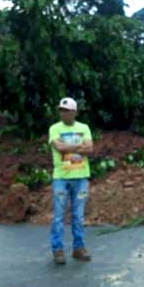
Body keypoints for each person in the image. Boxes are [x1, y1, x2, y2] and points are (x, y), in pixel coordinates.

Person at [48, 97, 94, 265]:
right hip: (61, 178)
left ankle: (78, 248)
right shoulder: (54, 128)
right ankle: (57, 249)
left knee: (78, 216)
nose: (63, 113)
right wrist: (78, 148)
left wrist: (69, 147)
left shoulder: (84, 127)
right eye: (61, 110)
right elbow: (59, 148)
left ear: (74, 112)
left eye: (67, 110)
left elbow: (90, 148)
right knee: (59, 216)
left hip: (81, 177)